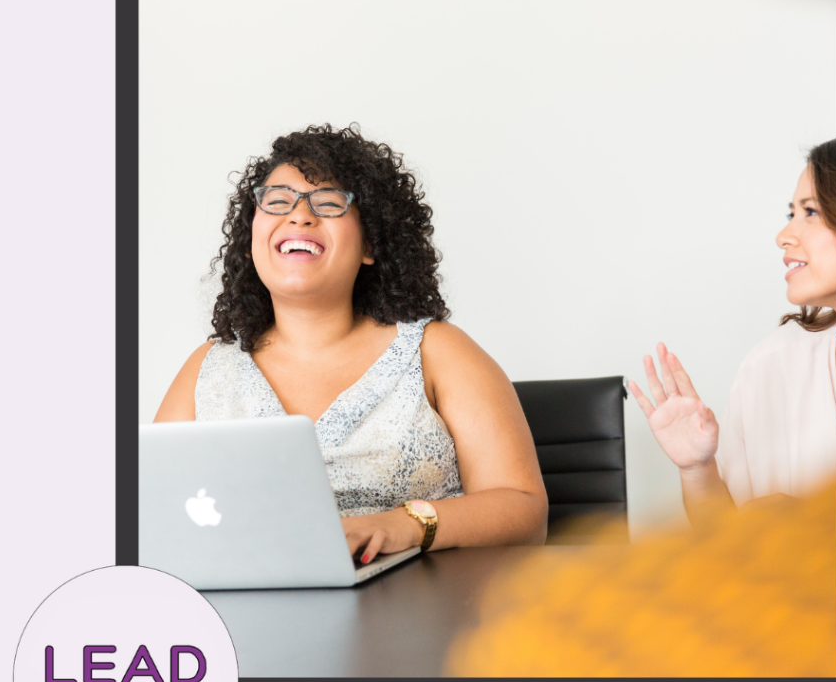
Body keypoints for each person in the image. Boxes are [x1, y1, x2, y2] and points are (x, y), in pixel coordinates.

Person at [155, 123, 548, 560]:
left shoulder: (438, 351)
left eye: (328, 203)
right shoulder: (208, 369)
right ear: (251, 240)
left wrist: (404, 525)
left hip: (419, 597)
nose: (299, 216)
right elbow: (147, 513)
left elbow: (524, 509)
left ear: (370, 245)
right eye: (277, 201)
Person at [628, 138, 836, 529]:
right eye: (791, 212)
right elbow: (723, 536)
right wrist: (698, 469)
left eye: (810, 211)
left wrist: (818, 528)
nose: (784, 235)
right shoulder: (770, 365)